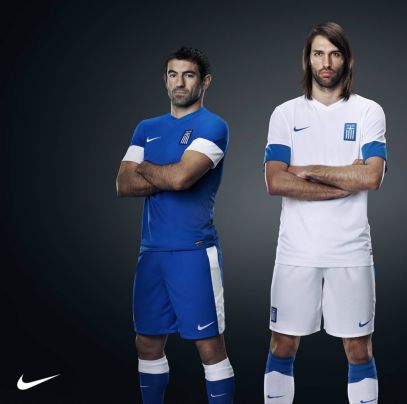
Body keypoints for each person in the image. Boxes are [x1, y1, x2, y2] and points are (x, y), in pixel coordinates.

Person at [262, 22, 387, 404]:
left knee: (359, 350)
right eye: (319, 53)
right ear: (308, 59)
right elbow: (275, 181)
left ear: (347, 60)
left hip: (351, 252)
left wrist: (308, 170)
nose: (327, 62)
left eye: (334, 53)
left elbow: (372, 176)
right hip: (296, 252)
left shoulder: (368, 111)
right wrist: (345, 181)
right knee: (282, 344)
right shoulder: (285, 114)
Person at [116, 46, 234, 404]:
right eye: (173, 74)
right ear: (165, 80)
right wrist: (168, 172)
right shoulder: (146, 128)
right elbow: (123, 183)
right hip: (151, 252)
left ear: (205, 81)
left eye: (188, 75)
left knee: (208, 346)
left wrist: (148, 168)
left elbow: (182, 178)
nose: (179, 82)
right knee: (146, 342)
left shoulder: (213, 125)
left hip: (193, 253)